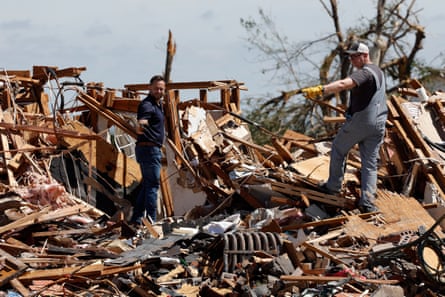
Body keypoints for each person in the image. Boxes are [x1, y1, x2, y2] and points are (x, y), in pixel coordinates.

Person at [302, 42, 387, 213]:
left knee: (338, 149)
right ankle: (368, 202)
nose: (352, 59)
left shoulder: (365, 73)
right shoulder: (379, 72)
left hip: (361, 122)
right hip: (378, 124)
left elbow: (342, 85)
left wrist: (321, 89)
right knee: (369, 164)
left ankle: (333, 186)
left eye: (355, 56)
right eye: (350, 56)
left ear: (365, 55)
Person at [131, 75, 166, 224]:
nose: (159, 91)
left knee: (147, 184)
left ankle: (137, 219)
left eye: (161, 88)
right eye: (156, 88)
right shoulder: (147, 105)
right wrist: (151, 137)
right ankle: (151, 221)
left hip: (149, 149)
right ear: (149, 88)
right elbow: (141, 125)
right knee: (152, 186)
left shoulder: (157, 105)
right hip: (149, 150)